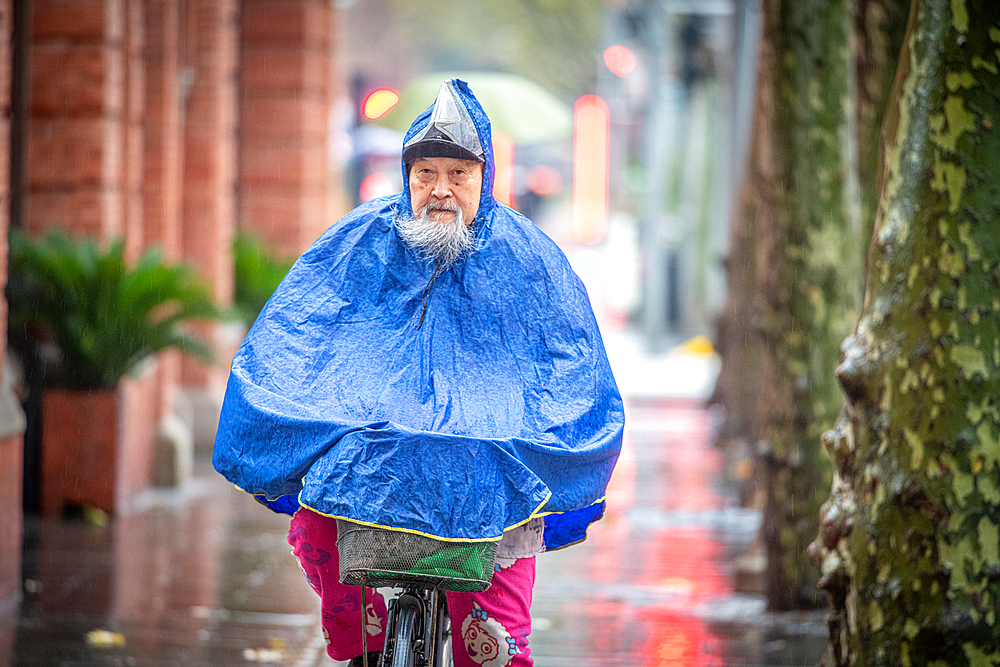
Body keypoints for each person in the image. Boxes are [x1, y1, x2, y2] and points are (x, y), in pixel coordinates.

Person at [213, 79, 624, 667]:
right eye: (426, 173)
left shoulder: (529, 257)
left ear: (485, 177)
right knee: (320, 511)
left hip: (489, 451)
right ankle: (363, 640)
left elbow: (566, 363)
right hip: (372, 437)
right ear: (405, 178)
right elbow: (304, 332)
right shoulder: (359, 240)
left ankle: (488, 646)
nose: (441, 190)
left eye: (459, 175)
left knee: (496, 623)